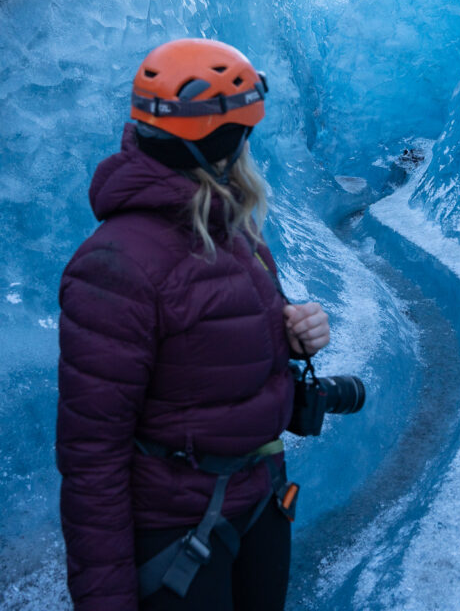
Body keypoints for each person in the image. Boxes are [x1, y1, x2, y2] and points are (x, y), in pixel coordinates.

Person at [56, 38, 330, 611]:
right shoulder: (115, 267)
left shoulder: (231, 229)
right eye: (241, 139)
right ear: (217, 147)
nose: (246, 154)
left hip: (258, 506)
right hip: (180, 535)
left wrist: (290, 334)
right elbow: (93, 458)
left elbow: (207, 347)